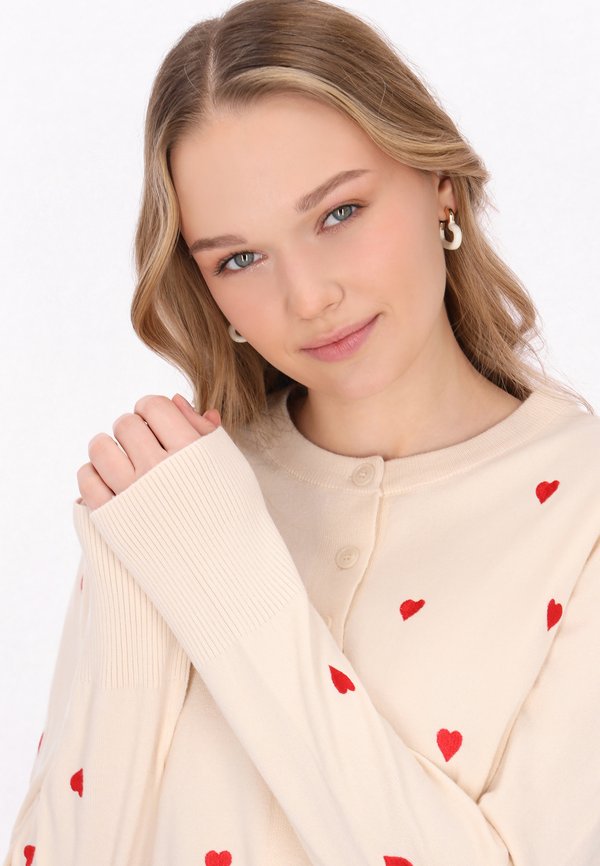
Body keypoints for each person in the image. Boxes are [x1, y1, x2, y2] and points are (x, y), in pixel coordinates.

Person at [4, 0, 599, 864]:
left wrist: (230, 582)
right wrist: (135, 572)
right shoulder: (174, 496)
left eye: (339, 214)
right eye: (240, 259)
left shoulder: (582, 509)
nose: (310, 297)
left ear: (438, 182)